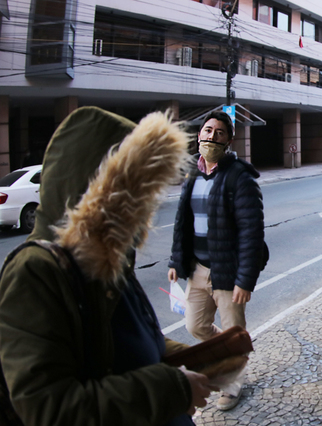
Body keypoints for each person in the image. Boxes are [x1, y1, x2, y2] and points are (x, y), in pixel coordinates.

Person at [0, 107, 215, 425]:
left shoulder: (109, 260)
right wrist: (171, 388)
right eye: (133, 191)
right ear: (98, 192)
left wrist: (195, 357)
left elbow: (129, 340)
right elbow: (49, 408)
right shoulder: (36, 272)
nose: (143, 207)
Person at [168, 111, 265, 411]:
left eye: (219, 133)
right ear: (199, 136)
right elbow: (181, 222)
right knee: (195, 325)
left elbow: (252, 231)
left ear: (229, 140)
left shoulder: (240, 177)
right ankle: (232, 348)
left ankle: (233, 384)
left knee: (234, 328)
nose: (211, 137)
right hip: (198, 269)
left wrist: (245, 279)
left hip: (228, 271)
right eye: (207, 131)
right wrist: (175, 261)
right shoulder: (192, 176)